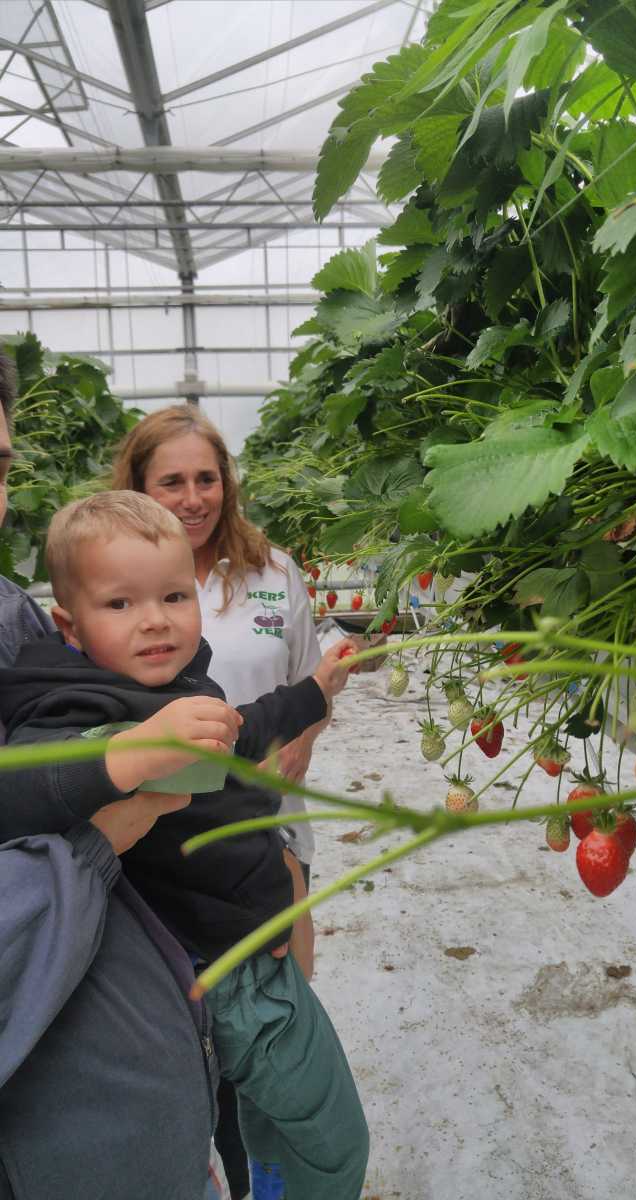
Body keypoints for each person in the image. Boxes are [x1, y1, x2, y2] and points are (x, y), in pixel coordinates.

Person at [0, 489, 370, 1200]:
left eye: (173, 596)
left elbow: (242, 728)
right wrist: (122, 755)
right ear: (68, 626)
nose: (155, 620)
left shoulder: (174, 681)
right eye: (120, 603)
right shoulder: (75, 703)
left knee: (263, 1126)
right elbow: (24, 781)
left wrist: (317, 691)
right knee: (333, 1142)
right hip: (224, 978)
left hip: (238, 951)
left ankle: (266, 1186)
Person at [0, 353, 219, 1200]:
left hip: (154, 1094)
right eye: (120, 604)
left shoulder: (11, 614)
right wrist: (98, 834)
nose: (150, 622)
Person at [111, 405, 327, 1198]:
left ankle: (260, 1177)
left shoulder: (272, 571)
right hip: (163, 857)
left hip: (272, 836)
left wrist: (302, 744)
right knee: (181, 1036)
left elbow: (307, 683)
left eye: (207, 478)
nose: (193, 497)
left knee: (271, 1027)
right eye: (171, 481)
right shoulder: (111, 576)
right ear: (139, 486)